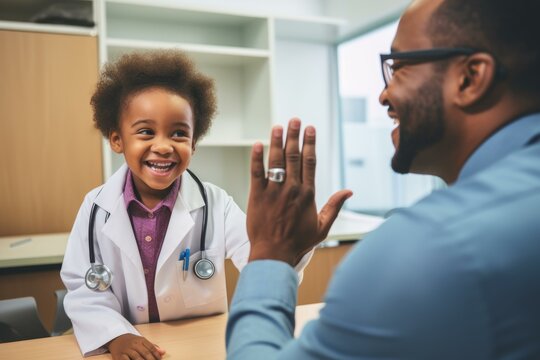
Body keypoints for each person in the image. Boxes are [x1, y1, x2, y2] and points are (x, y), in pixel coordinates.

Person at [226, 0, 540, 358]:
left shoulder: (428, 247)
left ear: (469, 78)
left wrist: (271, 251)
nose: (384, 95)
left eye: (400, 66)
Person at [60, 50, 312, 359]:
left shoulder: (217, 205)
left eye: (179, 133)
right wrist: (116, 335)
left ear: (193, 143)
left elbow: (262, 257)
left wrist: (290, 242)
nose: (164, 146)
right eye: (146, 132)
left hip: (198, 348)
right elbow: (83, 287)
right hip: (127, 348)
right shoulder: (95, 208)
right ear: (117, 140)